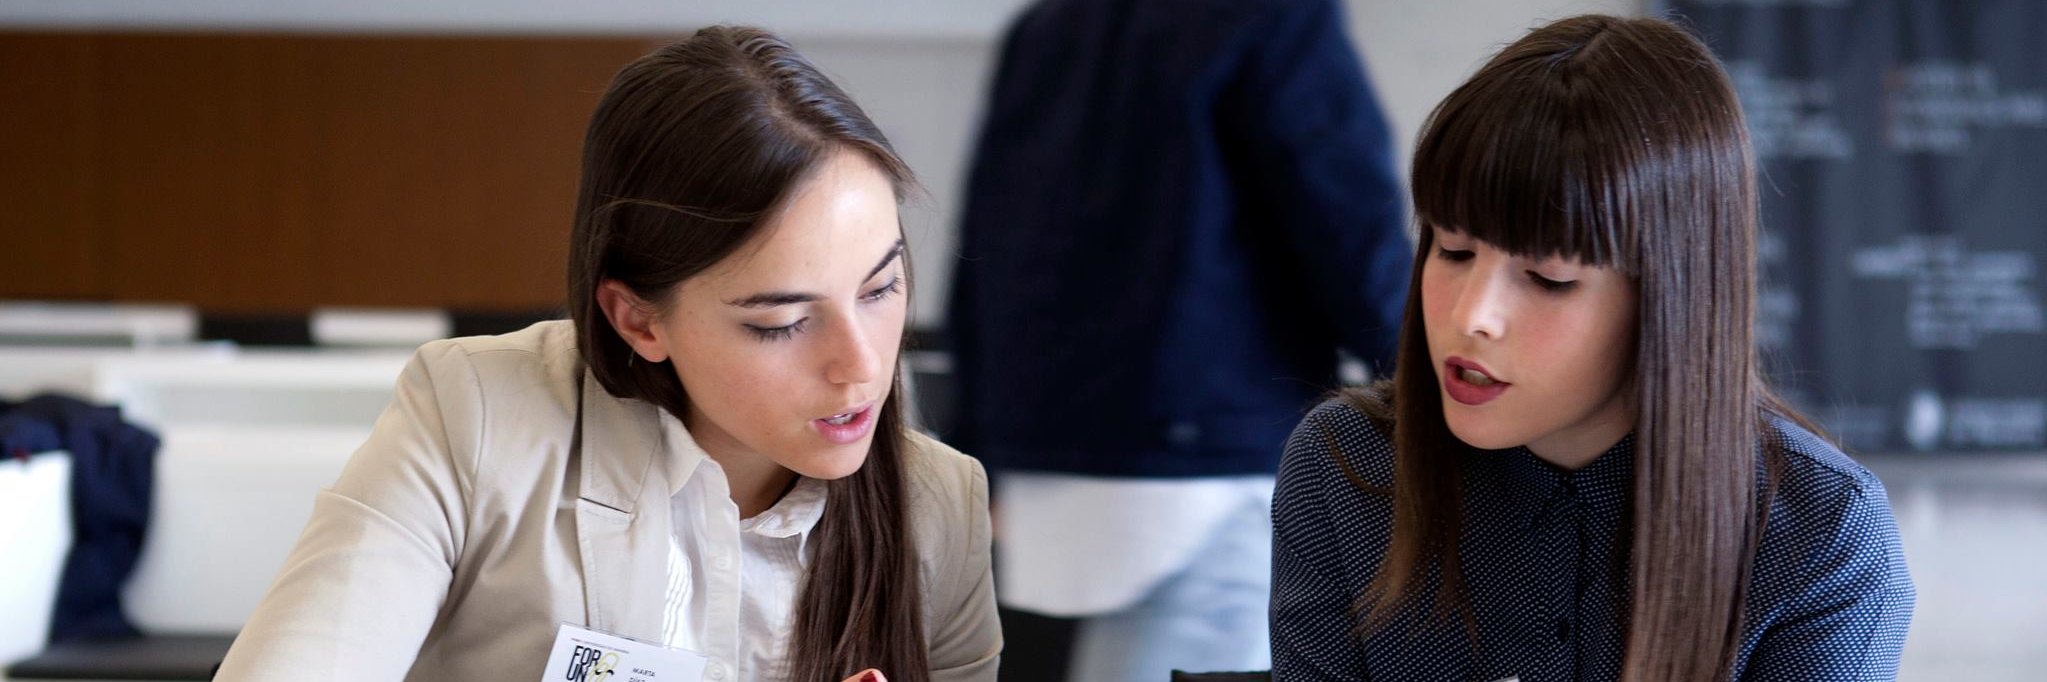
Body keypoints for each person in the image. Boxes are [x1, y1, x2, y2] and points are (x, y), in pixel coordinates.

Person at [215, 26, 1000, 682]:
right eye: (782, 323)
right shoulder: (477, 417)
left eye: (881, 288)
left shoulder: (938, 506)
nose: (860, 367)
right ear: (637, 320)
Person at [1269, 15, 1914, 681]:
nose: (1472, 317)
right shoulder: (1344, 469)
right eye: (1451, 249)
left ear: (1669, 296)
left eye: (1549, 279)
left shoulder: (1819, 529)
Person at [946, 0, 1409, 678]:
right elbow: (1351, 228)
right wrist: (1432, 396)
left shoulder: (1048, 26)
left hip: (1049, 448)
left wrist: (975, 448)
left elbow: (982, 243)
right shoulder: (1275, 17)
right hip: (1205, 456)